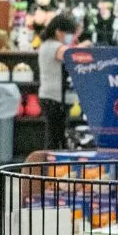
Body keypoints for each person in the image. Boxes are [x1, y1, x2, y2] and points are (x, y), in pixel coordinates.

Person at [37, 14, 87, 151]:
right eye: (68, 33)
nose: (69, 37)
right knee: (55, 137)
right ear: (58, 32)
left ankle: (54, 166)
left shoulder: (46, 45)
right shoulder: (55, 46)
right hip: (54, 99)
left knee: (56, 135)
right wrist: (85, 45)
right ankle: (51, 167)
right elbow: (71, 55)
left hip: (49, 96)